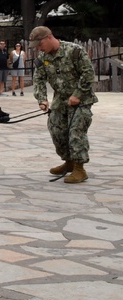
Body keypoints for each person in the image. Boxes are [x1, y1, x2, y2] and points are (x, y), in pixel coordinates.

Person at [30, 26, 98, 184]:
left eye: (40, 44)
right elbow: (38, 80)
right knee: (56, 129)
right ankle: (69, 162)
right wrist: (42, 99)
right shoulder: (42, 59)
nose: (39, 48)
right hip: (61, 100)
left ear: (49, 37)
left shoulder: (74, 51)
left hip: (81, 99)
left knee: (76, 131)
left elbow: (88, 73)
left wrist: (77, 94)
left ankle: (80, 169)